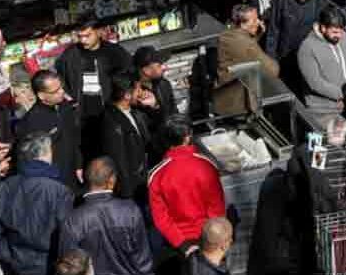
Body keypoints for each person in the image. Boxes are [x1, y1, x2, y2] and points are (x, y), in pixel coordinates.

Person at [0, 134, 75, 275]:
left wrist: (9, 256)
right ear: (46, 153)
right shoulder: (59, 191)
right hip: (48, 265)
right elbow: (67, 237)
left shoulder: (6, 186)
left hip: (17, 263)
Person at [57, 157, 153, 275]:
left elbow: (68, 267)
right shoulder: (130, 211)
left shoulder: (73, 219)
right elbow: (143, 262)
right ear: (111, 180)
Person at [54, 21, 134, 158]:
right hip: (84, 120)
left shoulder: (114, 53)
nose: (83, 40)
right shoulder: (70, 55)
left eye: (87, 35)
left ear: (98, 32)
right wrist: (70, 101)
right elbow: (61, 80)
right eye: (80, 36)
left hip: (112, 115)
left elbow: (129, 77)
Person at [148, 118, 226, 255]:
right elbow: (216, 208)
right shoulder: (206, 165)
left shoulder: (157, 174)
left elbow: (161, 218)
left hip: (177, 246)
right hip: (209, 239)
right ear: (187, 137)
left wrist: (182, 244)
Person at [15, 70, 84, 191]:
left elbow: (73, 138)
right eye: (55, 91)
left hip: (74, 177)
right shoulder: (31, 122)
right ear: (41, 96)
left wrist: (78, 164)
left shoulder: (65, 107)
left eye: (61, 87)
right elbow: (30, 160)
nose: (62, 92)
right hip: (53, 183)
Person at [296, 10, 346, 125]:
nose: (339, 36)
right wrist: (341, 93)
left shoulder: (345, 38)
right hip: (323, 111)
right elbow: (315, 83)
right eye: (334, 32)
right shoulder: (307, 47)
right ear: (323, 28)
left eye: (341, 31)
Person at [214, 3, 282, 117]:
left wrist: (256, 36)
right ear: (242, 24)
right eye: (254, 20)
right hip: (239, 106)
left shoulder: (226, 35)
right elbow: (273, 70)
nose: (258, 22)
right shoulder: (247, 45)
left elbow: (242, 52)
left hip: (224, 99)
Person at [100, 71, 151, 203]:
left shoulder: (135, 112)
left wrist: (153, 106)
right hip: (132, 189)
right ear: (127, 95)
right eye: (138, 89)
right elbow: (119, 160)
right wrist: (128, 193)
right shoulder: (112, 122)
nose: (141, 92)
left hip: (143, 180)